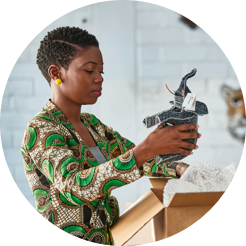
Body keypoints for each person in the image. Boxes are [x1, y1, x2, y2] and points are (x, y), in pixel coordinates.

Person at [20, 26, 201, 245]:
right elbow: (74, 187)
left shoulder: (92, 124)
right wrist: (147, 148)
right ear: (56, 73)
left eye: (101, 71)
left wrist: (181, 169)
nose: (99, 78)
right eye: (89, 70)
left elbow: (140, 159)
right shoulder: (41, 129)